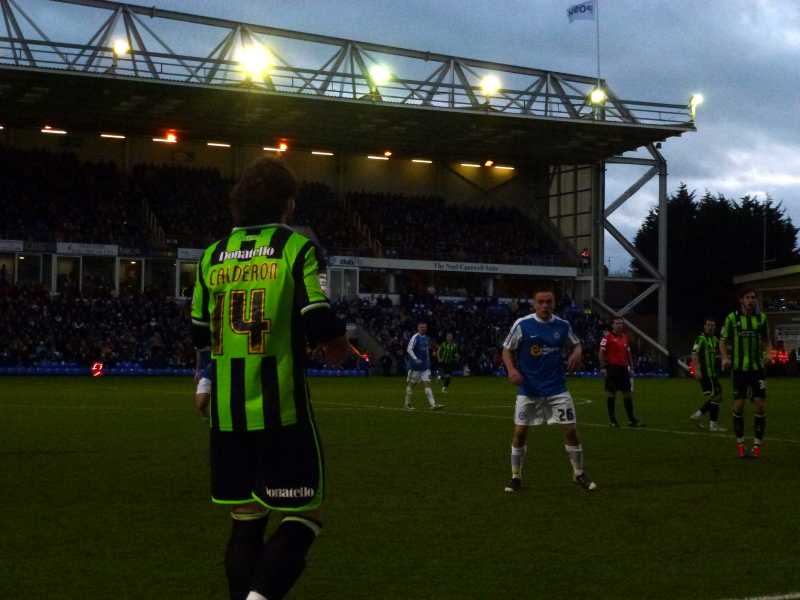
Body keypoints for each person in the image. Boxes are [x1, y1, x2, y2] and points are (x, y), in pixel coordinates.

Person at [191, 157, 349, 600]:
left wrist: (203, 383)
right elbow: (317, 312)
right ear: (289, 204)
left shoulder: (211, 256)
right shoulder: (294, 247)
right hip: (280, 410)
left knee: (246, 522)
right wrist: (336, 345)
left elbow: (200, 333)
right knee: (305, 515)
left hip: (226, 414)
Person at [502, 289, 597, 493]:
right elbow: (507, 349)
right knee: (519, 433)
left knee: (571, 430)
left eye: (549, 302)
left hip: (556, 388)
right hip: (528, 389)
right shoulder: (522, 324)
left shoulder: (562, 325)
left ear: (554, 304)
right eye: (541, 302)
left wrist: (577, 352)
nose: (545, 305)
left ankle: (578, 473)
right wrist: (511, 369)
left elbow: (577, 343)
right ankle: (515, 476)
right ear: (534, 305)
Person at [720, 288, 771, 458]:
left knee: (760, 406)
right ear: (741, 300)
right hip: (739, 369)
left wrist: (768, 353)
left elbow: (766, 341)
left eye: (753, 298)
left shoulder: (761, 318)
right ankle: (740, 444)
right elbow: (723, 341)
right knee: (739, 406)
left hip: (757, 369)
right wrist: (725, 358)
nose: (751, 300)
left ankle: (757, 447)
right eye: (748, 297)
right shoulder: (732, 318)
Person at [599, 317, 642, 427]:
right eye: (617, 323)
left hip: (624, 369)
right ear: (612, 325)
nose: (619, 325)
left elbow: (628, 353)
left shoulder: (625, 337)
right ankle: (613, 420)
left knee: (627, 394)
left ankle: (631, 419)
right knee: (611, 394)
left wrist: (631, 368)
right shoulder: (607, 337)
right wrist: (603, 367)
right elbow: (601, 353)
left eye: (621, 323)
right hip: (612, 368)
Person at [689, 318, 726, 431]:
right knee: (717, 396)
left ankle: (699, 415)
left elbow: (722, 347)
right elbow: (694, 354)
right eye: (708, 325)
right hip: (706, 373)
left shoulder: (714, 339)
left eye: (713, 325)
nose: (711, 327)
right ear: (704, 326)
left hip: (712, 374)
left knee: (717, 396)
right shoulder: (700, 339)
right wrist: (696, 370)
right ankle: (711, 424)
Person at [404, 321, 444, 410]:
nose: (423, 329)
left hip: (425, 367)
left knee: (428, 384)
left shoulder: (426, 338)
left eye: (425, 327)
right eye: (421, 327)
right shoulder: (415, 337)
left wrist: (429, 358)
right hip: (416, 367)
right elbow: (409, 349)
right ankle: (407, 403)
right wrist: (415, 359)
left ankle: (433, 404)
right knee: (411, 385)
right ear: (418, 328)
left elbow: (426, 350)